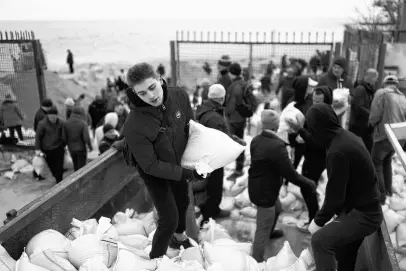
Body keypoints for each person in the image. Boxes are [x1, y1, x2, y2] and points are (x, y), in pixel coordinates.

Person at [122, 62, 204, 259]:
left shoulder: (179, 96)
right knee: (169, 218)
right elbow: (150, 165)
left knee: (183, 201)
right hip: (152, 169)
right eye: (142, 93)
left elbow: (190, 128)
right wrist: (187, 174)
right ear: (134, 92)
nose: (151, 96)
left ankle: (179, 237)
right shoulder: (134, 124)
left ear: (159, 79)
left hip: (176, 160)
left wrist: (198, 159)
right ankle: (156, 259)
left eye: (152, 87)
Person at [304, 103, 382, 271]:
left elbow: (334, 197)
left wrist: (318, 221)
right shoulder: (345, 136)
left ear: (318, 128)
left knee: (320, 241)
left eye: (311, 129)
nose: (311, 133)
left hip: (364, 214)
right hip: (365, 207)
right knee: (344, 253)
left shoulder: (337, 151)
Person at [249, 109, 317, 262]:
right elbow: (291, 174)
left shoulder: (256, 140)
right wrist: (309, 184)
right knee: (262, 228)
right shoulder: (277, 147)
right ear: (276, 126)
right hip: (265, 192)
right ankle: (256, 261)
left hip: (260, 186)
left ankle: (270, 232)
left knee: (277, 208)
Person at [287, 85, 333, 232]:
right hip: (311, 155)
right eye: (314, 101)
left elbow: (317, 142)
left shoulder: (325, 118)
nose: (315, 105)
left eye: (319, 102)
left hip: (318, 158)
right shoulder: (314, 113)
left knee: (308, 187)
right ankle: (315, 218)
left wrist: (299, 129)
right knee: (307, 187)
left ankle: (315, 221)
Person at [195, 84, 231, 224]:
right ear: (222, 98)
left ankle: (211, 209)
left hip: (206, 155)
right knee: (213, 186)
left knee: (210, 185)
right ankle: (210, 215)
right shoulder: (213, 118)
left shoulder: (206, 110)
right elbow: (219, 139)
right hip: (213, 157)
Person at [369, 75, 406, 204]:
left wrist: (371, 124)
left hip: (384, 134)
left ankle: (381, 196)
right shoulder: (402, 97)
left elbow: (375, 115)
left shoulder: (382, 93)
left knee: (376, 162)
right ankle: (388, 191)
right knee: (387, 161)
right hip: (399, 136)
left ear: (384, 84)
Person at [224, 62, 248, 180]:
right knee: (238, 142)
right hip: (240, 118)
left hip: (235, 119)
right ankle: (238, 168)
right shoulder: (242, 83)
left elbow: (234, 103)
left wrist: (228, 112)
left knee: (238, 143)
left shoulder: (236, 86)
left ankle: (238, 170)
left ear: (231, 73)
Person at [349, 69, 379, 153]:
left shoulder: (369, 90)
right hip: (358, 126)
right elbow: (358, 107)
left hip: (365, 126)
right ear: (370, 78)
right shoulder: (360, 89)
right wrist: (372, 114)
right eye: (375, 78)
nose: (376, 81)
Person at [35, 106, 66, 184]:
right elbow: (38, 137)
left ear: (57, 115)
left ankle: (59, 181)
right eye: (50, 117)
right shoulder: (42, 124)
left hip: (58, 148)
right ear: (48, 116)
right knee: (52, 166)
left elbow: (64, 135)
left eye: (54, 117)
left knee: (59, 166)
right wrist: (37, 149)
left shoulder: (61, 123)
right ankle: (57, 177)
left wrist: (64, 144)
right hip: (47, 149)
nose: (52, 119)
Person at [63, 106, 93, 171]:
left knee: (75, 166)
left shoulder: (66, 123)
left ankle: (76, 178)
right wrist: (90, 147)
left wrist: (65, 146)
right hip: (81, 149)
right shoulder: (83, 123)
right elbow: (86, 138)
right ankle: (81, 180)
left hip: (71, 148)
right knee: (82, 168)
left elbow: (64, 138)